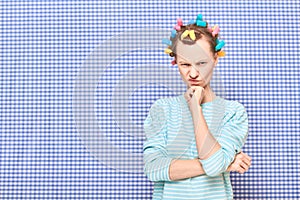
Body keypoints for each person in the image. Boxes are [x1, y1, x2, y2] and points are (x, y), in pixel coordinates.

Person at [143, 14, 251, 199]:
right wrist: (224, 163)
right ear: (175, 62)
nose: (193, 73)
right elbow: (153, 169)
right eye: (185, 64)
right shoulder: (162, 109)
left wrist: (195, 109)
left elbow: (214, 165)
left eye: (201, 63)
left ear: (215, 59)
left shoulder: (233, 112)